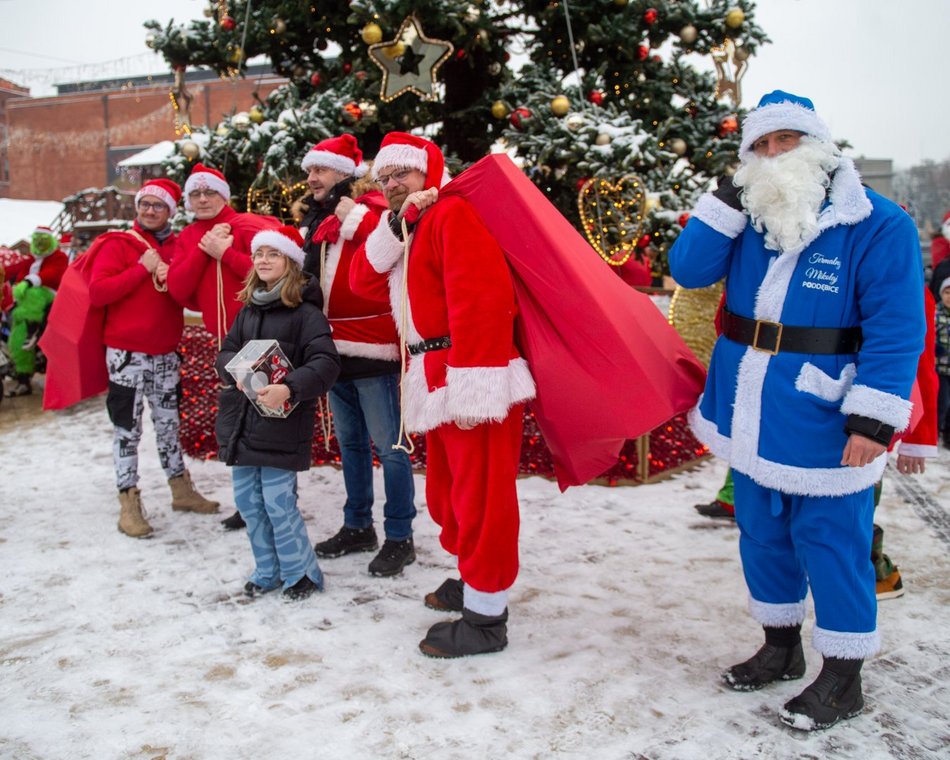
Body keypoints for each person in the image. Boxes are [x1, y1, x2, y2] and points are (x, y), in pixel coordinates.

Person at [669, 91, 925, 731]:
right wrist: (725, 201)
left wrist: (873, 418)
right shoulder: (746, 218)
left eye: (787, 141)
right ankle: (779, 646)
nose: (775, 154)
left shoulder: (878, 223)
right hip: (749, 404)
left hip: (826, 412)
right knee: (762, 532)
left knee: (832, 542)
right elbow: (689, 269)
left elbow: (897, 327)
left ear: (818, 147)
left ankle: (843, 676)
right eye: (761, 145)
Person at [354, 132, 536, 657]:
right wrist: (398, 223)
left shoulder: (453, 215)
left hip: (467, 375)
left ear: (429, 172)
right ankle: (473, 580)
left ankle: (485, 618)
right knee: (451, 495)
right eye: (383, 177)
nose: (391, 184)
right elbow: (366, 280)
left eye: (402, 174)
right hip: (435, 375)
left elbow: (483, 300)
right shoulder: (414, 226)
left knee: (481, 499)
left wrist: (474, 389)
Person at [297, 134, 418, 578]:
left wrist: (357, 217)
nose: (311, 178)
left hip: (374, 347)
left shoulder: (374, 207)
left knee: (390, 448)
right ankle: (357, 525)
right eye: (309, 171)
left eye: (321, 170)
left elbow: (395, 241)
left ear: (345, 174)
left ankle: (400, 536)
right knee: (349, 446)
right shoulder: (316, 219)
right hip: (332, 349)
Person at [214, 226, 340, 600]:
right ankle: (267, 570)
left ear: (290, 262)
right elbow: (226, 352)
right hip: (242, 422)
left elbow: (326, 362)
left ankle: (302, 573)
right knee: (249, 504)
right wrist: (232, 371)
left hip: (281, 426)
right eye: (259, 254)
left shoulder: (306, 314)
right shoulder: (248, 310)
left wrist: (290, 387)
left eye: (273, 254)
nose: (264, 260)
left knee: (278, 503)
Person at [88, 179, 220, 537]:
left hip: (165, 354)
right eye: (144, 204)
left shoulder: (179, 247)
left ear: (170, 212)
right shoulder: (118, 245)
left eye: (157, 205)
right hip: (126, 356)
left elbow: (190, 298)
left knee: (168, 426)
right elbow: (98, 292)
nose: (149, 210)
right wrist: (142, 268)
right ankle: (128, 501)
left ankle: (181, 490)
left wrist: (172, 274)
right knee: (127, 430)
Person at [167, 162, 279, 531]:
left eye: (209, 192)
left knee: (265, 422)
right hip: (226, 345)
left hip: (260, 340)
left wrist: (226, 253)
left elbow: (275, 275)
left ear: (224, 195)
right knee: (238, 425)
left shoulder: (249, 226)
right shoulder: (188, 238)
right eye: (195, 193)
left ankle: (273, 501)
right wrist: (207, 249)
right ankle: (249, 503)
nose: (201, 199)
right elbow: (180, 290)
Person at [3, 227, 68, 397]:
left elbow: (54, 274)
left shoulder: (59, 257)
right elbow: (17, 272)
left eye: (42, 240)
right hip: (27, 306)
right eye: (36, 240)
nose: (39, 244)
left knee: (33, 294)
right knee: (17, 338)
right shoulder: (31, 259)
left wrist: (30, 282)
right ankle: (23, 379)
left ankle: (33, 329)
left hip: (51, 297)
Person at [936, 277, 950, 448]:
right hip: (940, 368)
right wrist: (935, 349)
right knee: (943, 402)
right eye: (947, 292)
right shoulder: (935, 314)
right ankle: (937, 429)